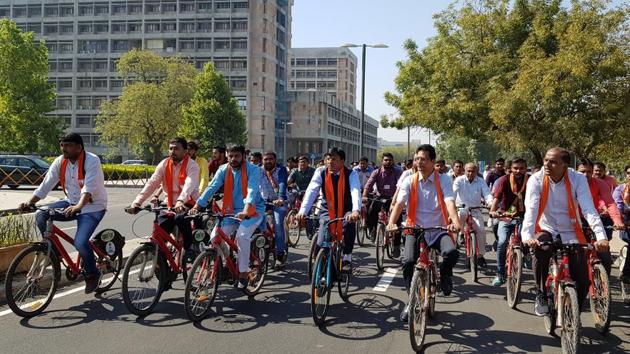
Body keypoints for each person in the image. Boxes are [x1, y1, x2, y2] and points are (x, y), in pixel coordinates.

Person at [522, 148, 608, 316]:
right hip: (546, 227)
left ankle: (573, 310)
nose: (547, 164)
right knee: (542, 250)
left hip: (571, 230)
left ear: (565, 165)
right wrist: (527, 236)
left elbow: (589, 209)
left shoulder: (578, 179)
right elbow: (531, 210)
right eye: (546, 160)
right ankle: (541, 294)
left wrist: (601, 237)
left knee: (582, 279)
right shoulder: (536, 179)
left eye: (552, 161)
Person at [19, 133, 107, 294]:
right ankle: (53, 252)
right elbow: (47, 183)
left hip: (92, 207)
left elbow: (89, 187)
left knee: (80, 243)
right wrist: (30, 202)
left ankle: (92, 274)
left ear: (79, 147)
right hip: (71, 202)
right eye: (62, 145)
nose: (63, 148)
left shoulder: (92, 160)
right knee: (41, 213)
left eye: (68, 145)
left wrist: (79, 206)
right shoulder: (60, 161)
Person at [387, 144, 461, 321]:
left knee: (451, 253)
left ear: (432, 161)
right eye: (416, 159)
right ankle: (411, 301)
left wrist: (456, 222)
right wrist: (391, 222)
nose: (419, 162)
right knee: (408, 261)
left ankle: (444, 275)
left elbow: (449, 201)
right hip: (415, 228)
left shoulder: (443, 180)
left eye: (423, 159)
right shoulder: (409, 180)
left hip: (438, 229)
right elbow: (400, 203)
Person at [189, 145, 265, 289]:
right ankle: (225, 262)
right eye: (230, 156)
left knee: (242, 236)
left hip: (253, 210)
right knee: (214, 237)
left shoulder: (253, 169)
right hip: (230, 211)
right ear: (227, 156)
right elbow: (212, 187)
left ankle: (243, 272)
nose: (233, 159)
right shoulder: (223, 169)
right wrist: (197, 206)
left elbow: (252, 189)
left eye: (237, 156)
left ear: (243, 156)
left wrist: (247, 210)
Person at [126, 137, 200, 258]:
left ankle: (189, 247)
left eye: (176, 149)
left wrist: (181, 201)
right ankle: (164, 266)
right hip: (169, 204)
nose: (172, 151)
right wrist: (137, 203)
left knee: (181, 218)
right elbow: (152, 183)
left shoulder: (192, 166)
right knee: (159, 235)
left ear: (185, 151)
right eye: (170, 149)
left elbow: (189, 184)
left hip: (188, 201)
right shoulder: (164, 164)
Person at [296, 147, 361, 272]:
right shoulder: (321, 171)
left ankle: (347, 257)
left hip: (346, 209)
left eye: (334, 159)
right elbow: (311, 191)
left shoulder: (351, 174)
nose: (330, 162)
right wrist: (302, 211)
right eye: (329, 159)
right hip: (327, 209)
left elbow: (355, 191)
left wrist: (356, 211)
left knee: (349, 224)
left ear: (342, 162)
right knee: (321, 243)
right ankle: (323, 267)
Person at [577, 159, 624, 275]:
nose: (585, 175)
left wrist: (617, 220)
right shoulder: (570, 183)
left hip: (594, 219)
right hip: (575, 221)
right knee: (577, 257)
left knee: (605, 256)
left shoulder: (600, 183)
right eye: (582, 171)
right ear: (575, 171)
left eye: (589, 172)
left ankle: (604, 290)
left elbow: (610, 203)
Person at [489, 157, 528, 286]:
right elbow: (496, 198)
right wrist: (493, 211)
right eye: (515, 168)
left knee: (527, 238)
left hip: (525, 216)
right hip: (506, 215)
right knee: (502, 242)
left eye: (521, 168)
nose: (518, 171)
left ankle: (525, 255)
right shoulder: (503, 180)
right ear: (510, 169)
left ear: (526, 169)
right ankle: (500, 273)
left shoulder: (531, 180)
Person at [362, 153, 403, 256]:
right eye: (385, 160)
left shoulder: (398, 172)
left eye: (389, 160)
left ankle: (397, 245)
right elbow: (368, 185)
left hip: (394, 198)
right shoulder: (377, 172)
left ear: (393, 161)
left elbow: (402, 186)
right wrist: (364, 196)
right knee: (371, 210)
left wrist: (399, 200)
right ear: (382, 161)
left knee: (397, 220)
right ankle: (373, 230)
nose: (388, 162)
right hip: (380, 197)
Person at [453, 163, 494, 267]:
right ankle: (461, 234)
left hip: (476, 210)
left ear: (477, 172)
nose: (470, 173)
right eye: (468, 171)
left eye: (473, 171)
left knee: (481, 231)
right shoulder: (459, 180)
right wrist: (452, 204)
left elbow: (487, 193)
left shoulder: (480, 181)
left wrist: (490, 203)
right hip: (462, 207)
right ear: (464, 170)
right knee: (462, 214)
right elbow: (453, 193)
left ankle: (480, 256)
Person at [260, 151, 289, 267]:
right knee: (255, 223)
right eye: (265, 159)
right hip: (263, 201)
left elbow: (282, 184)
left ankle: (280, 254)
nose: (268, 161)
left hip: (279, 202)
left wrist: (281, 197)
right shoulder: (258, 170)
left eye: (270, 159)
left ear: (275, 160)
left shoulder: (281, 170)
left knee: (277, 225)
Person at [612, 164, 630, 283]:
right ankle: (626, 274)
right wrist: (621, 221)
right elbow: (617, 207)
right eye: (629, 173)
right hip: (626, 223)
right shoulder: (620, 189)